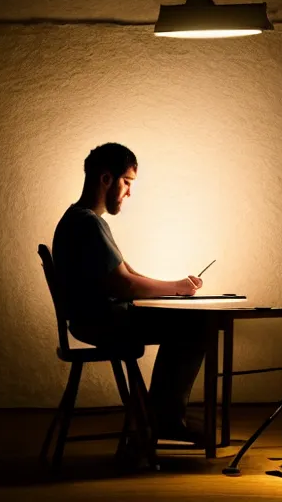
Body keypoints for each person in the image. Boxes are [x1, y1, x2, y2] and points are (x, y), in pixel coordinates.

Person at [52, 143, 207, 444]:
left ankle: (159, 416)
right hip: (101, 321)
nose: (129, 193)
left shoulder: (81, 220)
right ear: (106, 179)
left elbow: (129, 274)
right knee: (196, 324)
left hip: (94, 318)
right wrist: (176, 288)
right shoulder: (87, 224)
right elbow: (124, 284)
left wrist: (175, 287)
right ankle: (165, 420)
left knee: (187, 320)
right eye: (127, 182)